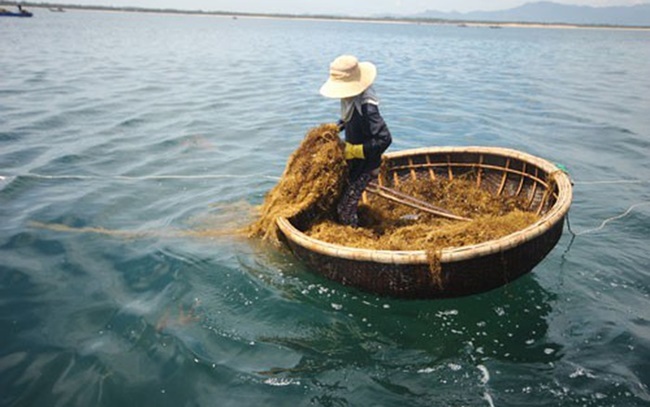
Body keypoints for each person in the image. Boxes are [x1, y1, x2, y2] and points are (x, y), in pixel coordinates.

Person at [320, 55, 392, 227]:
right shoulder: (351, 99)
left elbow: (385, 139)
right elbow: (348, 119)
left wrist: (356, 150)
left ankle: (354, 233)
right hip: (356, 162)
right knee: (341, 196)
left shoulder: (368, 108)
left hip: (366, 166)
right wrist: (334, 129)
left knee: (344, 209)